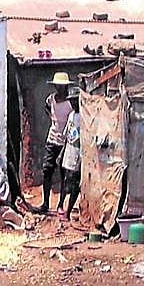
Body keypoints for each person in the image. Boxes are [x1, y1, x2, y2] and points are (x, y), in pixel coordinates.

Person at [39, 72, 72, 214]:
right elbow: (47, 108)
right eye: (57, 86)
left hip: (66, 142)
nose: (59, 88)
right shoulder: (51, 99)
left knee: (64, 173)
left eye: (62, 86)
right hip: (52, 140)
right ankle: (45, 203)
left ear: (66, 87)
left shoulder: (71, 102)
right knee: (47, 170)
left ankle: (60, 204)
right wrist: (54, 121)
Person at [59, 86, 82, 221]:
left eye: (75, 100)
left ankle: (68, 212)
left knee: (74, 183)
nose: (73, 103)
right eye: (71, 101)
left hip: (78, 152)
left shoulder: (85, 116)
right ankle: (61, 206)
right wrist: (61, 153)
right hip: (69, 151)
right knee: (66, 180)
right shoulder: (71, 115)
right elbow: (67, 135)